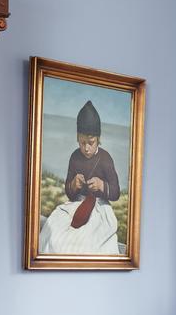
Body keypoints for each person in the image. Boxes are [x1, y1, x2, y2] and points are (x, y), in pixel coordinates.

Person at [38, 99, 123, 255]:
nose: (86, 148)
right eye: (82, 142)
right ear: (78, 138)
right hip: (76, 205)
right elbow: (69, 193)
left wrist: (102, 186)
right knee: (53, 233)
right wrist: (73, 185)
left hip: (99, 209)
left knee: (87, 243)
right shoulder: (75, 157)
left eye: (91, 143)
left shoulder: (105, 158)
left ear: (98, 139)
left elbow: (116, 192)